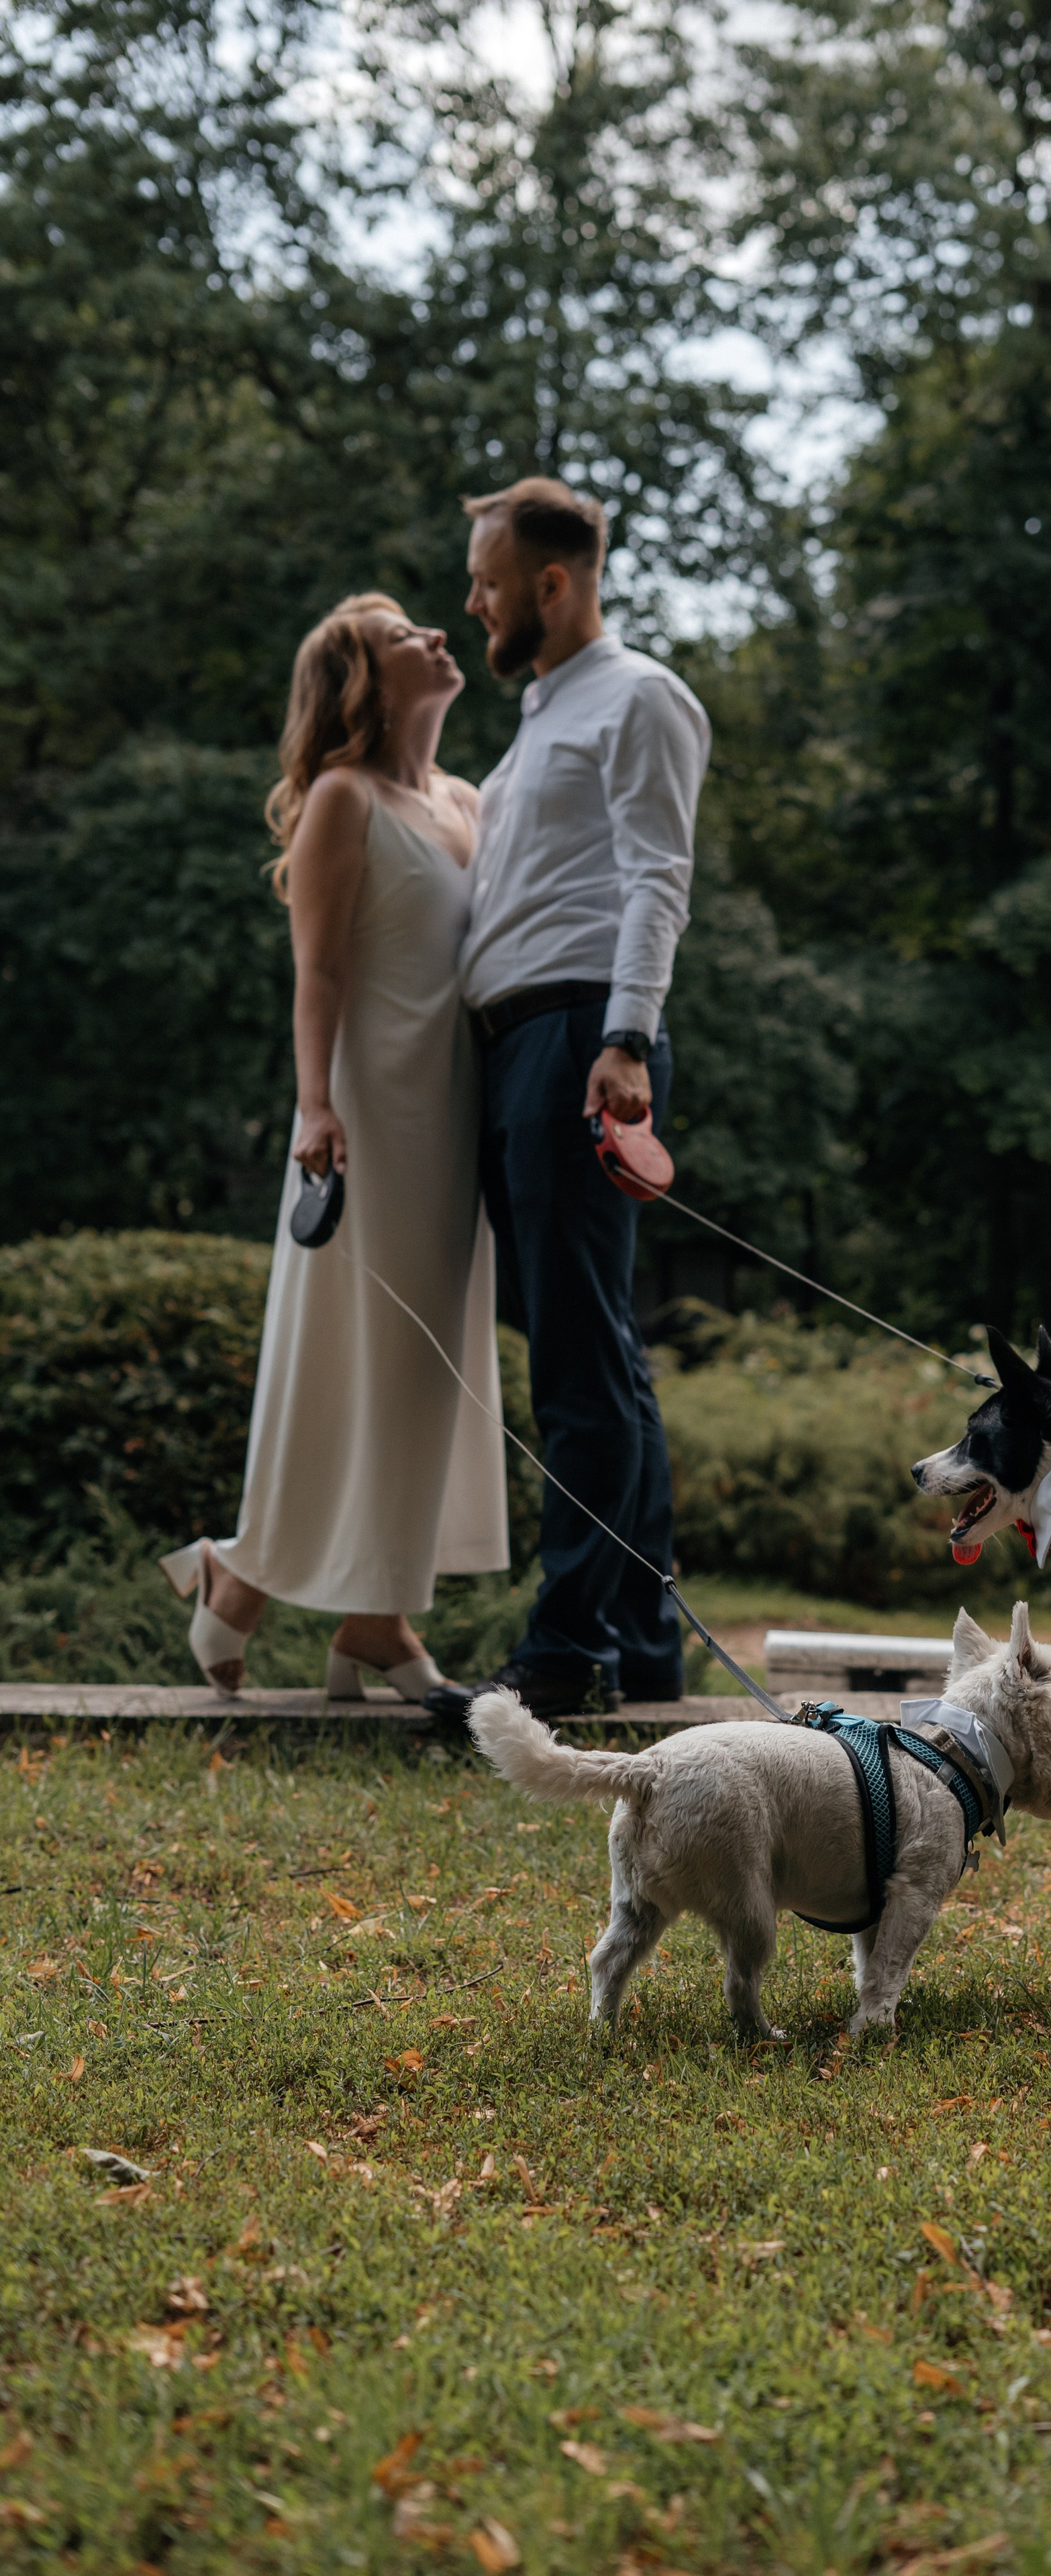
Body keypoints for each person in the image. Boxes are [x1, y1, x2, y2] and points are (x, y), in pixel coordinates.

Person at [160, 595, 509, 1697]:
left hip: (455, 1123)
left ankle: (363, 1614)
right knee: (339, 1362)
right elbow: (316, 972)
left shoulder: (467, 799)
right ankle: (250, 1583)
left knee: (420, 1367)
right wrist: (313, 1107)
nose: (439, 636)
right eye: (408, 634)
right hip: (362, 1118)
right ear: (362, 677)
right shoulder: (341, 800)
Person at [421, 478, 709, 1723]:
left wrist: (626, 1037)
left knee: (583, 1368)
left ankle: (560, 1652)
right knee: (593, 1351)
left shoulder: (641, 695)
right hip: (513, 1049)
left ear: (552, 583)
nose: (473, 601)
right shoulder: (541, 717)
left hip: (575, 1038)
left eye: (487, 580)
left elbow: (658, 875)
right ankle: (640, 1643)